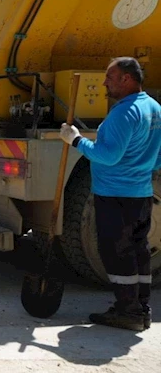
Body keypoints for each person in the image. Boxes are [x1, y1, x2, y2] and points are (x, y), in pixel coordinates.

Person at [61, 57, 161, 331]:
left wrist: (76, 140)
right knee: (138, 252)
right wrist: (139, 170)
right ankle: (141, 309)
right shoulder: (154, 108)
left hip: (116, 195)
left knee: (117, 254)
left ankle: (127, 311)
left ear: (127, 79)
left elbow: (108, 155)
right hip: (140, 194)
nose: (104, 82)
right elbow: (158, 157)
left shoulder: (123, 113)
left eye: (110, 77)